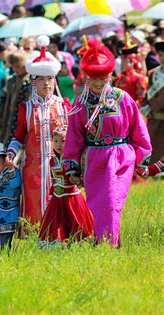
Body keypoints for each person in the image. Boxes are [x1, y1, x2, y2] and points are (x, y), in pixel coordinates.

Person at [63, 43, 152, 247]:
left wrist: (142, 158)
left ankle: (108, 244)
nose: (98, 83)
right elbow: (74, 137)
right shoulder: (81, 103)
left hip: (120, 157)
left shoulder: (123, 98)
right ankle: (102, 241)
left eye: (102, 78)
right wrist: (72, 166)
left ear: (110, 76)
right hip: (94, 158)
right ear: (87, 77)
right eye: (93, 79)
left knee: (112, 202)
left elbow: (138, 128)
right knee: (96, 203)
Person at [6, 35, 71, 231]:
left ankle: (59, 234)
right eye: (41, 79)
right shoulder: (26, 107)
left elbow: (74, 137)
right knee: (34, 202)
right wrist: (11, 154)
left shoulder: (64, 106)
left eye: (50, 78)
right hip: (33, 166)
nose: (46, 83)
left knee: (59, 198)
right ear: (33, 82)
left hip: (59, 165)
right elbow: (18, 137)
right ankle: (35, 236)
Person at [39, 127, 94, 246]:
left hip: (72, 198)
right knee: (55, 224)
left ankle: (78, 242)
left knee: (76, 222)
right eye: (56, 141)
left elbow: (81, 176)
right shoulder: (52, 161)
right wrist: (50, 195)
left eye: (63, 141)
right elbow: (54, 181)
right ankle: (58, 243)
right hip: (57, 198)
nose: (59, 145)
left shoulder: (72, 159)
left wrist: (78, 180)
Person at [0, 52, 31, 146]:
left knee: (19, 147)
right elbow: (2, 98)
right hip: (8, 118)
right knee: (4, 144)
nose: (15, 69)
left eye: (18, 66)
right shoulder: (11, 80)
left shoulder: (30, 81)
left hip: (22, 120)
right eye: (13, 66)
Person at [115, 33, 148, 107]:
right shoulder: (119, 79)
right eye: (122, 60)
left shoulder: (139, 78)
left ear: (131, 62)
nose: (122, 63)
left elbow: (141, 99)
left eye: (124, 60)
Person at [145, 40, 164, 164]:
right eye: (161, 55)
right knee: (156, 147)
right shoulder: (153, 74)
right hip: (156, 118)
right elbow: (147, 96)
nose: (163, 58)